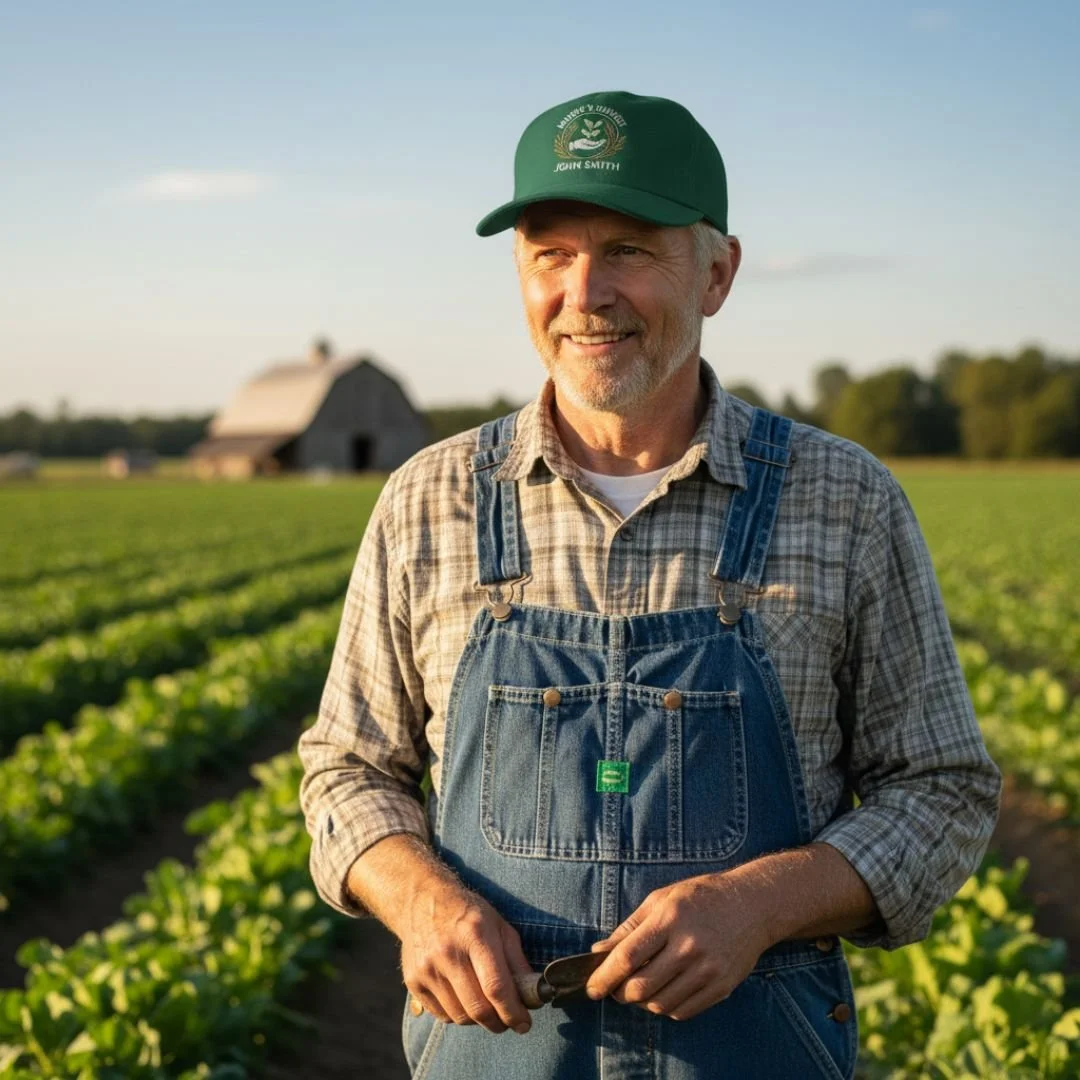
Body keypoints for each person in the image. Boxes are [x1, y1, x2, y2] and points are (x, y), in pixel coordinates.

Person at [298, 90, 1001, 1079]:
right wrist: (424, 902)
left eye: (627, 249)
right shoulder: (430, 500)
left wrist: (754, 905)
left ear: (717, 273)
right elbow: (347, 770)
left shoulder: (844, 501)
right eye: (551, 253)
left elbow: (940, 788)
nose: (584, 292)